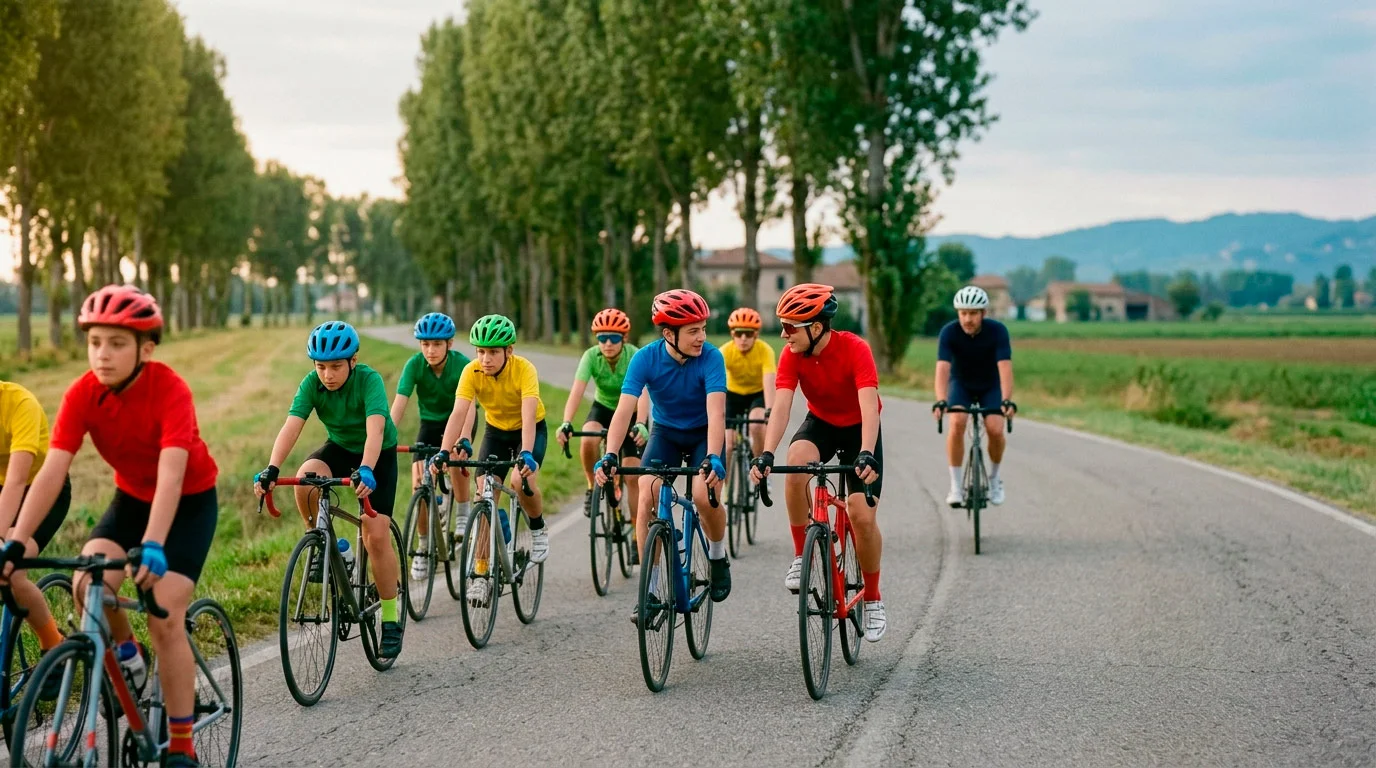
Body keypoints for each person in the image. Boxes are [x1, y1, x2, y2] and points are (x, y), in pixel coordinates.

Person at [0, 285, 217, 768]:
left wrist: (155, 543)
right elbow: (53, 471)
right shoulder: (83, 394)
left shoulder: (170, 389)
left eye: (117, 343)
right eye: (95, 341)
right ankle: (126, 654)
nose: (102, 354)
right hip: (130, 500)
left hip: (187, 505)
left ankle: (181, 745)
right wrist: (15, 541)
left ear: (146, 349)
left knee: (164, 614)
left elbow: (172, 473)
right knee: (86, 582)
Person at [255, 320, 405, 659]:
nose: (327, 374)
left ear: (353, 361)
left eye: (336, 366)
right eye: (320, 366)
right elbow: (291, 426)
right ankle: (323, 543)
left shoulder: (369, 380)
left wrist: (366, 468)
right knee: (307, 477)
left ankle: (392, 621)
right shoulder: (312, 384)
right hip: (339, 447)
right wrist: (272, 469)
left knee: (376, 534)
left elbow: (376, 431)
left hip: (376, 454)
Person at [749, 283, 888, 642]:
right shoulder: (791, 355)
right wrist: (766, 453)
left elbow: (869, 406)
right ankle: (801, 555)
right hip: (822, 423)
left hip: (860, 428)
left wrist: (867, 452)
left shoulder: (855, 348)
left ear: (816, 327)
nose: (783, 334)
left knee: (860, 515)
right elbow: (781, 407)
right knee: (795, 466)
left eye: (790, 326)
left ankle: (872, 598)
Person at [593, 289, 732, 624]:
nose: (702, 337)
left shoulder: (711, 358)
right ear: (669, 334)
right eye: (693, 331)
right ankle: (651, 591)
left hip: (703, 435)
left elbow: (716, 415)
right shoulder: (645, 358)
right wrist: (610, 454)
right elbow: (625, 409)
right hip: (666, 433)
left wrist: (713, 456)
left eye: (702, 328)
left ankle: (717, 556)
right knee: (647, 495)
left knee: (703, 494)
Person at [429, 315, 551, 608]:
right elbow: (458, 413)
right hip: (495, 432)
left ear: (509, 351)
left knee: (520, 481)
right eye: (481, 351)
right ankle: (481, 575)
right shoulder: (471, 372)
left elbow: (528, 414)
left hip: (528, 428)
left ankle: (537, 528)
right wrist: (444, 451)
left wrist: (526, 453)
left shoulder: (524, 369)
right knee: (484, 493)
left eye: (493, 352)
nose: (485, 358)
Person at [389, 312, 477, 581]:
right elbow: (400, 403)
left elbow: (470, 407)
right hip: (429, 425)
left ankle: (462, 513)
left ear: (449, 344)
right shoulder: (414, 365)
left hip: (460, 420)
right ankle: (423, 547)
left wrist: (464, 439)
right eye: (425, 344)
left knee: (454, 460)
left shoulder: (463, 365)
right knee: (420, 483)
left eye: (436, 344)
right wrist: (386, 439)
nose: (430, 350)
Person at [0, 380, 74, 674]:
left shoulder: (20, 404)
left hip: (42, 490)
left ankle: (53, 642)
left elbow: (18, 480)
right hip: (3, 488)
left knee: (13, 570)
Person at [555, 308, 650, 529]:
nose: (607, 343)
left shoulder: (635, 355)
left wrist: (642, 424)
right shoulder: (590, 356)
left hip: (631, 412)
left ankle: (638, 530)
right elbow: (577, 391)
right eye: (602, 338)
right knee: (588, 439)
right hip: (604, 407)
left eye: (614, 337)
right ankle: (591, 485)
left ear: (624, 338)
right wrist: (566, 421)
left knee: (632, 477)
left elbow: (644, 394)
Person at [932, 285, 1017, 507]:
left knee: (996, 429)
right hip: (961, 384)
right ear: (958, 313)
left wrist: (1007, 400)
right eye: (963, 313)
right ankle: (956, 486)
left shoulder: (997, 331)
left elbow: (1005, 368)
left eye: (973, 313)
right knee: (957, 421)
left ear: (983, 314)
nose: (968, 319)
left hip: (990, 385)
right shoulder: (949, 332)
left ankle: (995, 478)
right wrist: (941, 400)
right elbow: (942, 368)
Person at [719, 307, 775, 479]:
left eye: (749, 334)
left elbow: (769, 380)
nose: (743, 339)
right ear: (732, 334)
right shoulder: (724, 351)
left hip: (756, 394)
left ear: (756, 335)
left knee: (757, 425)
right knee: (727, 445)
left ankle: (760, 468)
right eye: (739, 333)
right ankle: (724, 487)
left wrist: (770, 410)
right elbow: (715, 384)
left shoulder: (765, 350)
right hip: (733, 394)